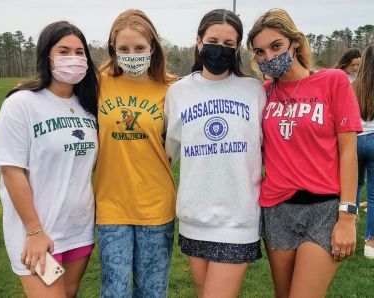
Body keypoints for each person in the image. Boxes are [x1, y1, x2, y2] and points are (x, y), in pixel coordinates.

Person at [247, 8, 362, 298]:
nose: (269, 57)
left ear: (294, 42)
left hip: (324, 209)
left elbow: (348, 152)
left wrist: (347, 217)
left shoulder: (333, 81)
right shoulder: (263, 93)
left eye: (276, 46)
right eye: (260, 52)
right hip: (277, 209)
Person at [0, 21, 99, 297]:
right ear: (46, 56)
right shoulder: (22, 103)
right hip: (38, 235)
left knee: (68, 293)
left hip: (79, 230)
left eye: (80, 52)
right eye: (63, 51)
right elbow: (11, 171)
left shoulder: (89, 110)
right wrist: (34, 231)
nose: (74, 57)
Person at [165, 9, 266, 298]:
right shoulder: (178, 92)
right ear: (198, 42)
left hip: (238, 217)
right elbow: (168, 153)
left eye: (228, 44)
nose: (219, 49)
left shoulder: (254, 91)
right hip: (194, 216)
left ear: (237, 49)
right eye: (212, 40)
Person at [94, 9, 176, 297]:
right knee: (114, 291)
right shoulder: (96, 83)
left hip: (156, 205)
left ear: (152, 47)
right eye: (124, 49)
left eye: (139, 48)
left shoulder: (172, 88)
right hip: (110, 205)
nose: (132, 54)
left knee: (152, 293)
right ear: (113, 50)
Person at [353, 44, 374, 259]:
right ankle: (371, 244)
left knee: (354, 188)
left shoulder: (352, 86)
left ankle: (348, 230)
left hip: (355, 140)